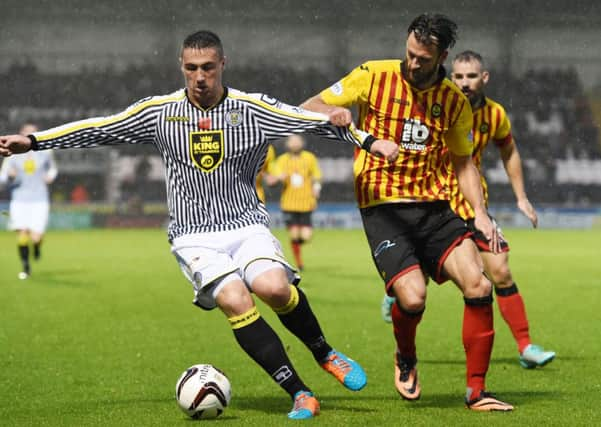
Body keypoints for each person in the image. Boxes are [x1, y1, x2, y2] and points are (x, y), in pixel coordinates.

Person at [0, 31, 398, 420]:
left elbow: (307, 120)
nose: (200, 76)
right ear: (181, 67)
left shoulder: (251, 109)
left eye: (208, 66)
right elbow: (99, 127)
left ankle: (325, 353)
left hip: (246, 224)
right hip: (194, 235)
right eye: (191, 68)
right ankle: (300, 392)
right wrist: (34, 142)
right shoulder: (159, 112)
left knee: (274, 287)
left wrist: (366, 139)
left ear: (223, 64)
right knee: (235, 300)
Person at [302, 14, 513, 411]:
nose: (414, 64)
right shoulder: (372, 75)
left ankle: (476, 392)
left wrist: (480, 214)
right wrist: (337, 116)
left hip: (435, 208)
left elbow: (464, 163)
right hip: (383, 207)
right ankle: (406, 356)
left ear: (442, 56)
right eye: (411, 54)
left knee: (480, 285)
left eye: (424, 59)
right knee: (413, 299)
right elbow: (307, 106)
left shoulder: (453, 100)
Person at [449, 50, 555, 368]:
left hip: (474, 204)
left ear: (485, 78)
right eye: (458, 76)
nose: (464, 83)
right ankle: (400, 291)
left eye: (471, 76)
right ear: (450, 77)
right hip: (435, 202)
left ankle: (525, 347)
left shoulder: (495, 114)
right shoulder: (438, 107)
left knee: (501, 271)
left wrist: (521, 197)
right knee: (416, 283)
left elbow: (509, 150)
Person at [0, 123, 57, 279]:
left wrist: (50, 176)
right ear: (21, 133)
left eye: (33, 132)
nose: (30, 134)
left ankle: (37, 247)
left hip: (39, 199)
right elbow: (3, 177)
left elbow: (53, 169)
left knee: (36, 237)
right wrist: (10, 176)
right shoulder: (13, 152)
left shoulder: (45, 151)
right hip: (20, 199)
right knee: (22, 232)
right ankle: (26, 267)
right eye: (27, 132)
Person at [273, 135, 322, 270]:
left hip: (306, 202)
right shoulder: (282, 160)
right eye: (292, 141)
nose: (295, 144)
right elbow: (275, 177)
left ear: (302, 143)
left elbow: (316, 175)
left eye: (297, 141)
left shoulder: (309, 158)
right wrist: (278, 178)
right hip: (289, 203)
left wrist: (316, 189)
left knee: (306, 236)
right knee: (294, 234)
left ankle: (296, 247)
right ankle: (299, 263)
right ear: (288, 144)